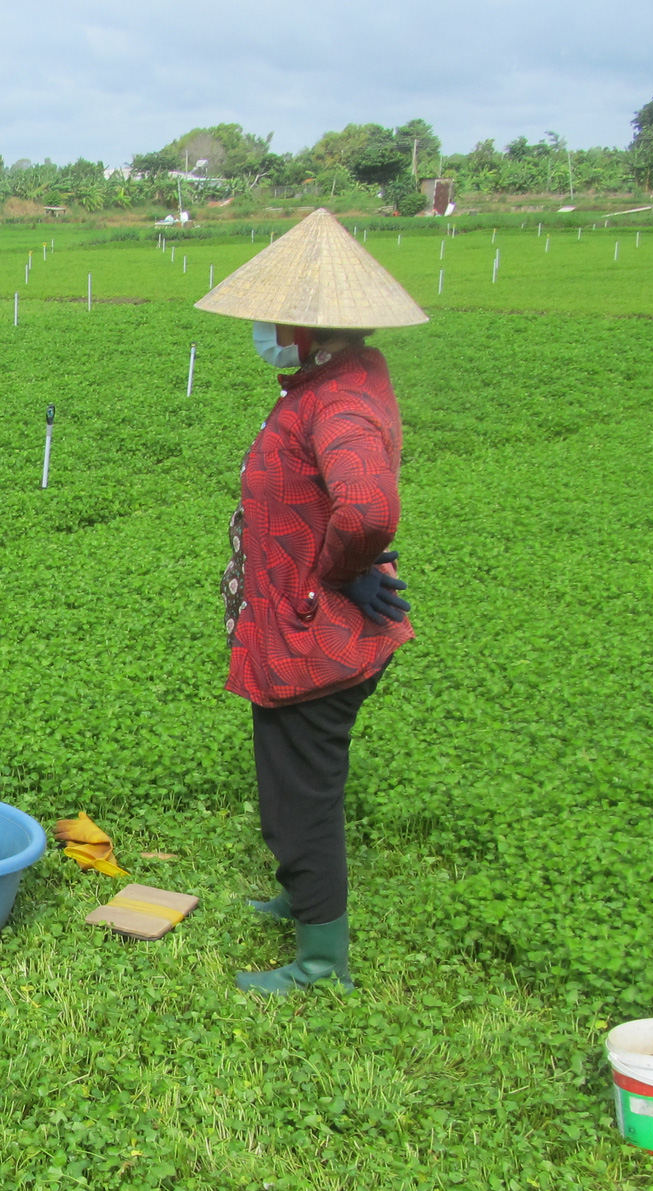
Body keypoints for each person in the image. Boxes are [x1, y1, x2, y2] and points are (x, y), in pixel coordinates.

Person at [193, 208, 424, 992]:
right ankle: (300, 899)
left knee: (303, 802)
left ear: (307, 326)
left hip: (315, 635)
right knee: (287, 778)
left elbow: (366, 508)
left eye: (271, 318)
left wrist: (339, 569)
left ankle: (322, 963)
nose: (261, 330)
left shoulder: (341, 400)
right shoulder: (334, 378)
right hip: (296, 628)